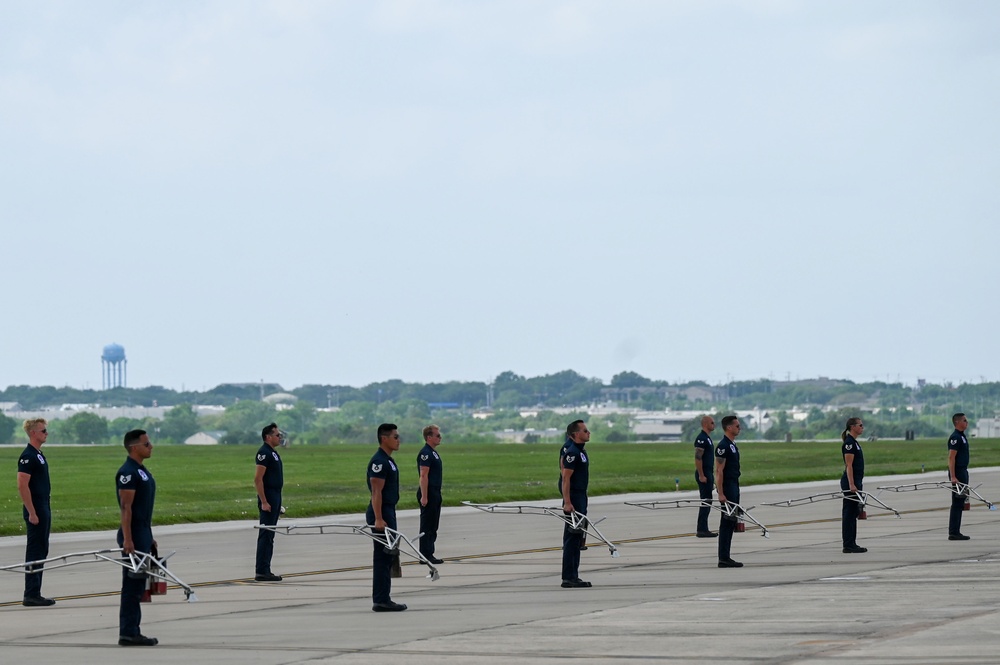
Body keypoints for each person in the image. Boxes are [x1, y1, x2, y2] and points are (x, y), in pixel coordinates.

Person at [116, 429, 158, 646]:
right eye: (147, 444)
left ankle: (132, 629)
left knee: (139, 585)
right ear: (134, 447)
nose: (151, 447)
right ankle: (129, 632)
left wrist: (148, 536)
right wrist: (128, 539)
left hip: (142, 531)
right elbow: (126, 508)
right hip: (132, 533)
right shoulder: (128, 472)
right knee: (132, 586)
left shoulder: (141, 471)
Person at [366, 423, 406, 612]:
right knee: (383, 557)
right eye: (395, 437)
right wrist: (379, 519)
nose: (398, 440)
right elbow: (376, 492)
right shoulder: (379, 461)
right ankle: (381, 599)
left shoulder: (388, 460)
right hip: (381, 512)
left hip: (387, 510)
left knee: (389, 557)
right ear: (384, 438)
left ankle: (383, 597)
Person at [17, 418, 54, 607]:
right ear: (33, 433)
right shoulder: (28, 455)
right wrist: (32, 511)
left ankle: (35, 592)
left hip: (43, 504)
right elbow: (22, 484)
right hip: (36, 506)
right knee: (35, 550)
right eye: (43, 431)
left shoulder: (38, 454)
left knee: (42, 549)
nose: (46, 433)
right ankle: (30, 593)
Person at [560, 419, 592, 588]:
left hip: (580, 496)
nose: (588, 433)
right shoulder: (572, 452)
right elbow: (565, 477)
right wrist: (567, 502)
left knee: (578, 536)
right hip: (574, 497)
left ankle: (573, 574)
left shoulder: (579, 450)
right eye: (585, 431)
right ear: (575, 435)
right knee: (572, 537)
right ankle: (568, 577)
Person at [254, 422, 284, 581]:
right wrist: (264, 501)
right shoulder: (264, 453)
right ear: (268, 437)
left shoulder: (273, 452)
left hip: (276, 495)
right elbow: (258, 479)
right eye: (277, 435)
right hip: (269, 496)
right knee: (266, 534)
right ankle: (262, 570)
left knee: (270, 534)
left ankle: (266, 568)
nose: (280, 437)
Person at [715, 415, 744, 568]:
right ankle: (723, 557)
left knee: (732, 520)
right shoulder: (723, 446)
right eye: (737, 426)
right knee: (727, 521)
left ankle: (726, 556)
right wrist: (720, 493)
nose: (739, 428)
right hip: (728, 486)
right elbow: (719, 471)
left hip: (734, 484)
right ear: (729, 427)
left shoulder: (732, 445)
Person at [416, 424, 444, 564]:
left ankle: (429, 552)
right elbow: (423, 475)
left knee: (433, 524)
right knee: (427, 525)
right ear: (429, 437)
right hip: (428, 492)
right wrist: (424, 496)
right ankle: (425, 554)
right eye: (437, 435)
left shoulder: (433, 452)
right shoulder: (426, 453)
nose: (440, 437)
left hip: (434, 491)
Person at [840, 417, 867, 553]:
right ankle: (848, 544)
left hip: (856, 482)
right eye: (860, 425)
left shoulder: (854, 443)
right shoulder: (849, 444)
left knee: (854, 512)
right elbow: (849, 465)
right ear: (852, 427)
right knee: (849, 513)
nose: (862, 427)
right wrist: (851, 484)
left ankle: (852, 543)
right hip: (851, 482)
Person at [948, 413, 972, 541]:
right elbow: (951, 458)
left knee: (961, 501)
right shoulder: (955, 438)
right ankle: (953, 532)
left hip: (963, 471)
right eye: (964, 420)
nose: (967, 422)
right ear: (957, 422)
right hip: (957, 472)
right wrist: (953, 476)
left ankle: (956, 531)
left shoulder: (962, 437)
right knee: (957, 502)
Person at [693, 415, 717, 538]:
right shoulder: (701, 438)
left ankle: (703, 528)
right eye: (712, 422)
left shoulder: (707, 438)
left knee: (708, 501)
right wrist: (701, 475)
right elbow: (698, 458)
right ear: (705, 424)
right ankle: (701, 529)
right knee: (706, 501)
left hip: (708, 472)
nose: (714, 424)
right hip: (704, 473)